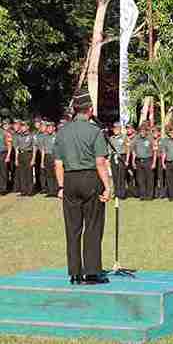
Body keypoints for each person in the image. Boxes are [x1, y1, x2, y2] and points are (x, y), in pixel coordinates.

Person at [53, 92, 111, 285]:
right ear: (90, 110)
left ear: (75, 110)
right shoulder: (95, 131)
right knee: (93, 226)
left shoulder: (62, 132)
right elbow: (100, 162)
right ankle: (92, 272)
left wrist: (61, 187)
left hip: (69, 180)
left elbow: (58, 163)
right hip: (89, 178)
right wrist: (107, 186)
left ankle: (75, 272)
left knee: (72, 228)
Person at [131, 123, 157, 200]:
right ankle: (142, 195)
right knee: (140, 179)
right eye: (140, 131)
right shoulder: (136, 138)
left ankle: (149, 196)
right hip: (139, 161)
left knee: (149, 179)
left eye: (143, 131)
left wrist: (154, 162)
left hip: (148, 160)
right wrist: (133, 161)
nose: (142, 132)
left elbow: (155, 151)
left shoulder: (150, 138)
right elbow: (133, 151)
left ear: (146, 131)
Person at [109, 122, 129, 199]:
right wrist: (108, 159)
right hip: (113, 158)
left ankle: (122, 194)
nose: (115, 130)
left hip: (122, 157)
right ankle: (116, 193)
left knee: (121, 176)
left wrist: (127, 160)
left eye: (116, 128)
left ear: (120, 129)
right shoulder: (111, 138)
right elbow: (109, 149)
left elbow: (128, 149)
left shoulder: (124, 137)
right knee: (115, 176)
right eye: (114, 128)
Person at [40, 122, 58, 197]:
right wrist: (42, 161)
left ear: (54, 128)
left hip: (55, 156)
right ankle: (51, 191)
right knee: (49, 175)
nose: (49, 129)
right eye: (48, 128)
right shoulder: (45, 137)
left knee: (55, 174)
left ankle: (57, 190)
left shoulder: (57, 136)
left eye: (51, 127)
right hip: (47, 157)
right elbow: (43, 150)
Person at [0, 122, 12, 195]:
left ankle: (3, 188)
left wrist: (8, 156)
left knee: (3, 172)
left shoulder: (5, 133)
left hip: (3, 153)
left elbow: (9, 145)